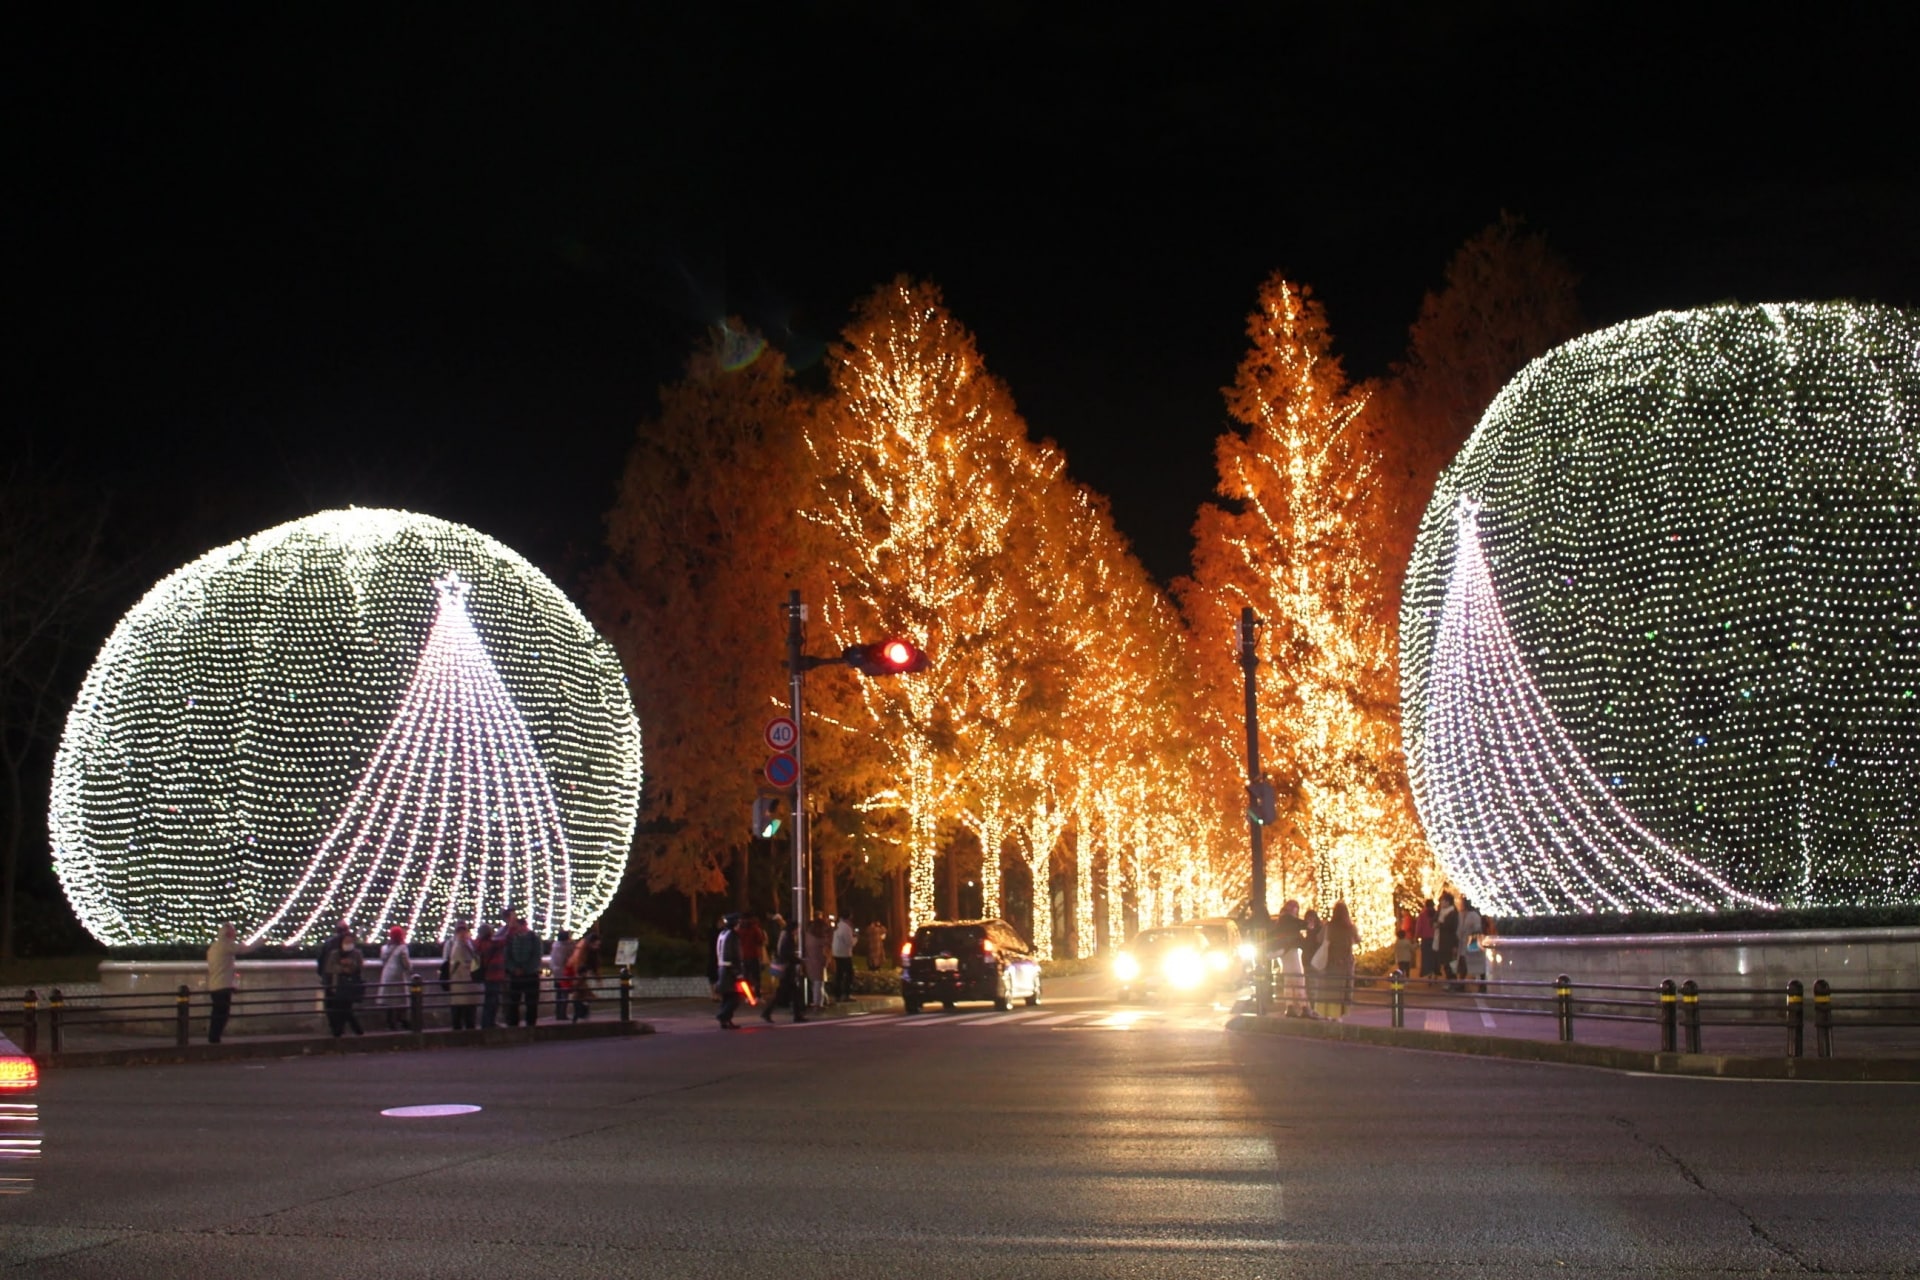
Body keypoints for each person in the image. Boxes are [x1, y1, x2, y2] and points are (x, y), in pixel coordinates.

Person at [205, 923, 258, 1044]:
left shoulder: (214, 947)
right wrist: (260, 942)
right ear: (228, 934)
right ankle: (214, 1039)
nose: (235, 934)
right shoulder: (225, 945)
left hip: (215, 985)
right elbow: (243, 949)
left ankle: (213, 1037)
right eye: (233, 932)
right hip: (222, 985)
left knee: (217, 1013)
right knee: (222, 1013)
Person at [1314, 900, 1360, 1020]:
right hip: (1346, 963)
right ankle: (1339, 1015)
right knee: (1343, 990)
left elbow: (1319, 939)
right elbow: (1358, 939)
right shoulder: (1351, 927)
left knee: (1329, 989)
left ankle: (1328, 1013)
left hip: (1331, 963)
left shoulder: (1329, 927)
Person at [761, 914, 806, 1023]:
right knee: (792, 992)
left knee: (786, 992)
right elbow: (787, 953)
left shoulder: (784, 934)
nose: (797, 931)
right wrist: (798, 960)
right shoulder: (788, 937)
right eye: (796, 929)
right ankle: (796, 1015)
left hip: (785, 968)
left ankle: (769, 1012)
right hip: (787, 968)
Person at [503, 910, 543, 1027]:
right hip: (516, 975)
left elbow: (536, 956)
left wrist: (525, 969)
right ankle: (513, 1023)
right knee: (514, 1001)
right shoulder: (511, 939)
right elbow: (507, 956)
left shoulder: (534, 939)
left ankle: (530, 1023)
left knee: (531, 1002)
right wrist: (513, 968)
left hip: (530, 974)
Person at [324, 928, 366, 1037]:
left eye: (350, 941)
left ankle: (342, 1031)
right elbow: (329, 967)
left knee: (345, 1008)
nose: (348, 944)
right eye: (346, 941)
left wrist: (351, 964)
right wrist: (342, 968)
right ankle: (354, 1030)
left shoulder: (357, 953)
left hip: (351, 985)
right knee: (342, 1009)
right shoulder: (335, 953)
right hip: (337, 985)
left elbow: (360, 966)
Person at [1271, 900, 1308, 1016]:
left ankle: (1290, 1006)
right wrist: (1308, 924)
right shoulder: (1287, 918)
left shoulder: (1282, 919)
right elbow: (1301, 925)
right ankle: (1302, 1007)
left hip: (1285, 952)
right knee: (1297, 977)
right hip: (1290, 951)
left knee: (1289, 979)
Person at [446, 921, 480, 1031]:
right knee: (461, 1006)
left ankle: (465, 1027)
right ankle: (461, 1027)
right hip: (462, 979)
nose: (463, 933)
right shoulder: (459, 945)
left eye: (464, 930)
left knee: (464, 1006)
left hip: (464, 980)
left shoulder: (465, 944)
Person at [379, 925, 413, 1030]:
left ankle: (390, 1022)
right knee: (401, 1000)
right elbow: (406, 964)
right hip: (399, 976)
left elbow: (383, 960)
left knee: (389, 1000)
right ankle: (402, 1021)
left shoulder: (384, 948)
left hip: (387, 976)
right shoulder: (402, 948)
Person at [714, 913, 743, 1030]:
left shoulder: (723, 933)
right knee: (735, 997)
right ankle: (723, 1016)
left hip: (722, 968)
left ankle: (726, 1020)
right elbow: (732, 954)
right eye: (738, 922)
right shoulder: (732, 936)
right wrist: (738, 972)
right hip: (729, 969)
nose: (740, 925)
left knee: (727, 996)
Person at [477, 922, 506, 1029]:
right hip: (493, 975)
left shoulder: (479, 943)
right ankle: (488, 1023)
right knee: (492, 1001)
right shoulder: (490, 944)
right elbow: (505, 939)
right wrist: (509, 926)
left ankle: (488, 1022)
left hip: (487, 975)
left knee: (490, 1000)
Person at [567, 929, 600, 1022]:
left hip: (582, 973)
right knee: (581, 994)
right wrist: (580, 973)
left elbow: (595, 964)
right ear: (591, 943)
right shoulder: (582, 949)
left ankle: (579, 1015)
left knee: (581, 994)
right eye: (595, 944)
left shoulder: (587, 949)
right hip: (578, 973)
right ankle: (580, 1015)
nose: (597, 947)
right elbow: (577, 962)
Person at [1301, 908, 1325, 1018]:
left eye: (1311, 919)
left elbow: (1318, 945)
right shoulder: (1309, 931)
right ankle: (1312, 1009)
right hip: (1308, 960)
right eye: (1307, 919)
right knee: (1309, 986)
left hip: (1314, 961)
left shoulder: (1319, 931)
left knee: (1314, 986)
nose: (1309, 921)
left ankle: (1315, 1010)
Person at [803, 914, 830, 1008]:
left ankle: (820, 1001)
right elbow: (827, 946)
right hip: (818, 961)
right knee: (818, 983)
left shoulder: (808, 936)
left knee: (815, 983)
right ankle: (818, 1003)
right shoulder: (819, 940)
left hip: (810, 961)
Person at [736, 914, 767, 999]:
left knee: (746, 977)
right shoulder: (755, 928)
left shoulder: (739, 929)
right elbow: (760, 941)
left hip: (743, 956)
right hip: (754, 955)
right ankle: (757, 995)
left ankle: (747, 996)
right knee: (756, 976)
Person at [1435, 892, 1460, 982]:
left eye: (1443, 901)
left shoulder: (1452, 912)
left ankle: (1452, 981)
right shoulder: (1441, 912)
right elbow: (1434, 920)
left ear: (1448, 902)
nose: (1441, 903)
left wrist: (1439, 925)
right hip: (1441, 941)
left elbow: (1452, 927)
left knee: (1449, 963)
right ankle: (1450, 980)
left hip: (1449, 942)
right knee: (1445, 963)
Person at [831, 913, 856, 1002]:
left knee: (839, 974)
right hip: (844, 954)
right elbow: (849, 943)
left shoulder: (838, 926)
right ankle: (846, 994)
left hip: (836, 953)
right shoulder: (846, 928)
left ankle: (837, 994)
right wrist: (855, 939)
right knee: (849, 974)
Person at [549, 930, 573, 1020]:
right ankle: (562, 1014)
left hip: (556, 973)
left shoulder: (555, 946)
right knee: (564, 994)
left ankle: (558, 1013)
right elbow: (568, 959)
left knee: (559, 994)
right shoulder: (566, 947)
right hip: (564, 973)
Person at [1414, 898, 1437, 978]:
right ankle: (1435, 972)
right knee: (1434, 956)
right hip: (1435, 939)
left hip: (1425, 939)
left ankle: (1428, 973)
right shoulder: (1436, 914)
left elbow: (1419, 926)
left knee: (1426, 957)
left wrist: (1416, 937)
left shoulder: (1423, 915)